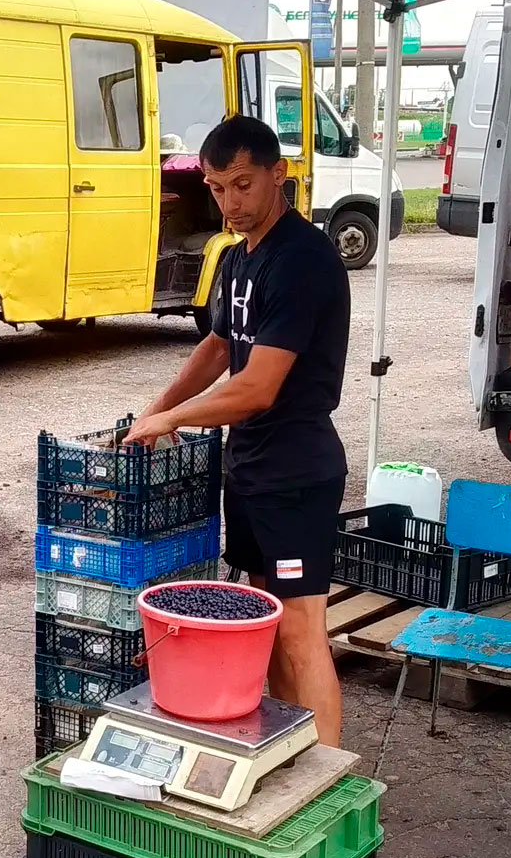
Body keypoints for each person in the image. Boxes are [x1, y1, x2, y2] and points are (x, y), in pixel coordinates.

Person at [125, 115, 352, 747]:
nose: (230, 202)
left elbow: (258, 386)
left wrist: (173, 420)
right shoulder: (238, 256)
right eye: (218, 187)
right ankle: (292, 755)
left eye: (243, 185)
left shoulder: (304, 260)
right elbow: (220, 346)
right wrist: (157, 406)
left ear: (279, 176)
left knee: (302, 629)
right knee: (268, 624)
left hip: (296, 471)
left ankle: (328, 781)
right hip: (250, 467)